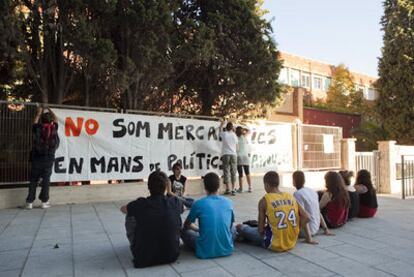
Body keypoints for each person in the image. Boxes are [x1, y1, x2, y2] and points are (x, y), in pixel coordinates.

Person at [236, 171, 317, 252]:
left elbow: (260, 230)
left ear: (266, 185)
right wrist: (295, 227)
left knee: (240, 228)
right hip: (291, 241)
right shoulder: (291, 197)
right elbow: (307, 217)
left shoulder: (264, 200)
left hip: (273, 243)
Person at [120, 170, 184, 268]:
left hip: (143, 258)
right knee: (176, 212)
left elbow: (123, 209)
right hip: (171, 255)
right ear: (166, 187)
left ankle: (137, 244)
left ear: (148, 187)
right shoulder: (175, 202)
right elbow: (183, 208)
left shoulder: (140, 204)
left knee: (130, 215)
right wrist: (170, 192)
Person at [181, 172, 235, 259]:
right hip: (227, 249)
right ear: (219, 185)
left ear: (205, 187)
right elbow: (230, 225)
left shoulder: (198, 204)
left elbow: (187, 225)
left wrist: (198, 229)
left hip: (205, 250)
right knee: (234, 228)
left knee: (183, 231)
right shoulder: (229, 202)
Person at [25, 106, 59, 209]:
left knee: (33, 180)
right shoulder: (53, 129)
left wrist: (39, 113)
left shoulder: (38, 128)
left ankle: (29, 202)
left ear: (42, 120)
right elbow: (56, 119)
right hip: (48, 159)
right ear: (51, 121)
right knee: (46, 181)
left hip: (37, 159)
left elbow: (34, 123)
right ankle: (44, 202)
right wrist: (49, 109)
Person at [292, 171, 333, 236]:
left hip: (307, 231)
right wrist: (326, 229)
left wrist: (309, 238)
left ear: (294, 181)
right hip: (316, 228)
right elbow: (318, 211)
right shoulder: (312, 191)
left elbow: (303, 216)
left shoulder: (297, 194)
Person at [219, 120, 238, 196]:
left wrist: (221, 124)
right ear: (232, 128)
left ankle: (228, 189)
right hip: (233, 154)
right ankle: (233, 189)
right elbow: (237, 146)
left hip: (226, 154)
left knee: (226, 171)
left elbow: (219, 130)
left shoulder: (224, 134)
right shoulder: (234, 135)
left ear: (226, 128)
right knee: (233, 171)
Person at [236, 126, 252, 193]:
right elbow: (249, 130)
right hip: (245, 156)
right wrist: (243, 127)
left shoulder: (236, 138)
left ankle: (241, 188)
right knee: (247, 172)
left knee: (240, 173)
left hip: (239, 156)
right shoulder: (244, 136)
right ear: (242, 131)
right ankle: (250, 187)